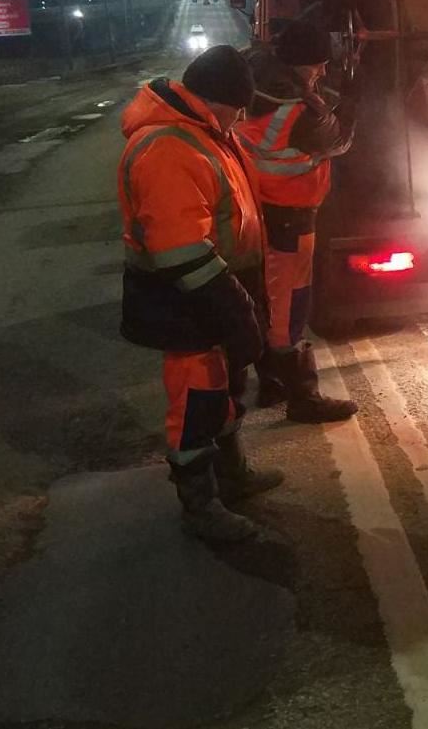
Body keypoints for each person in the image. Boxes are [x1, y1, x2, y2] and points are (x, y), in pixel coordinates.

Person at [118, 47, 282, 543]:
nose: (239, 120)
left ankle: (232, 479)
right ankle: (200, 508)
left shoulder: (204, 133)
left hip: (216, 291)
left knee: (224, 392)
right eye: (236, 109)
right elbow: (181, 250)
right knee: (196, 403)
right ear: (215, 101)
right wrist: (234, 309)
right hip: (189, 301)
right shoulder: (168, 147)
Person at [236, 18, 358, 423]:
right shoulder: (301, 112)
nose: (322, 71)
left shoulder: (251, 81)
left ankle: (271, 381)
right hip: (290, 217)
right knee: (290, 303)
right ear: (302, 63)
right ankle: (302, 397)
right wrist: (353, 98)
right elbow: (339, 139)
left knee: (264, 297)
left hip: (252, 210)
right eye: (319, 65)